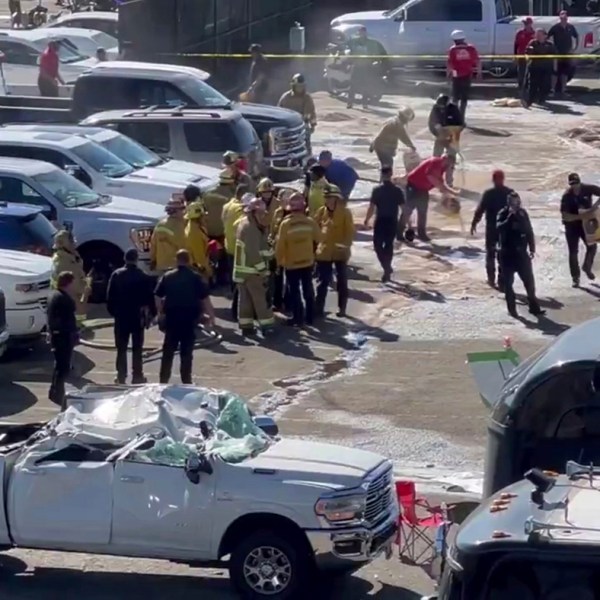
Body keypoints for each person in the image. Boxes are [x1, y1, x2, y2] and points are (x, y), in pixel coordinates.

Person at [154, 249, 216, 384]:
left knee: (168, 352)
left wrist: (160, 312)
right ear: (189, 261)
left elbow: (158, 296)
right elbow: (205, 299)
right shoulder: (195, 277)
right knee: (186, 353)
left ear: (176, 260)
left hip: (172, 319)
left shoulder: (168, 276)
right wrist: (211, 316)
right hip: (189, 320)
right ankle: (186, 381)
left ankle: (163, 381)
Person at [106, 248, 153, 385]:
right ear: (136, 259)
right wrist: (151, 316)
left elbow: (109, 298)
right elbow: (149, 298)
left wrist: (114, 313)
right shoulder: (143, 276)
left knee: (121, 348)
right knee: (137, 348)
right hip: (137, 317)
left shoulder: (116, 275)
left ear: (124, 259)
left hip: (121, 317)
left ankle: (121, 376)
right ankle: (137, 375)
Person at [275, 193, 321, 327]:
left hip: (291, 264)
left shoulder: (286, 224)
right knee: (308, 289)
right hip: (307, 262)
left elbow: (280, 246)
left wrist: (278, 263)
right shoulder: (310, 222)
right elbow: (319, 239)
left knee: (294, 291)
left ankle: (298, 318)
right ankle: (310, 317)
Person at [496, 192, 545, 318]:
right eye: (513, 202)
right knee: (508, 284)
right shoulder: (503, 213)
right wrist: (509, 218)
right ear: (508, 203)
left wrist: (532, 248)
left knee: (529, 282)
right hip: (507, 254)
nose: (516, 204)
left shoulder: (523, 213)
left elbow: (529, 231)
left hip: (521, 254)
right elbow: (499, 228)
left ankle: (534, 308)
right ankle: (512, 310)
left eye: (518, 202)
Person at [233, 198, 276, 336]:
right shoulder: (251, 228)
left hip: (242, 271)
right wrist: (263, 270)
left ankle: (246, 326)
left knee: (245, 300)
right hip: (253, 271)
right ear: (254, 213)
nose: (263, 216)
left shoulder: (245, 224)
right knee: (261, 300)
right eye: (261, 213)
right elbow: (253, 252)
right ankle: (267, 326)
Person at [314, 184, 354, 318]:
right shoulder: (321, 212)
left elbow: (350, 232)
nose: (328, 200)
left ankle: (342, 308)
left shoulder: (345, 213)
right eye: (326, 197)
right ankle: (318, 309)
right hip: (324, 252)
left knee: (342, 281)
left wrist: (344, 246)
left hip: (340, 253)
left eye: (330, 197)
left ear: (337, 198)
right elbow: (315, 228)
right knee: (322, 282)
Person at [399, 155, 459, 242]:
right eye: (450, 164)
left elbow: (441, 182)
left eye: (452, 165)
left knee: (422, 212)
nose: (450, 167)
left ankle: (422, 234)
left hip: (423, 189)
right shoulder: (436, 162)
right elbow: (430, 176)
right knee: (408, 210)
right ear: (445, 159)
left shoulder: (442, 167)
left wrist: (452, 192)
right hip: (413, 186)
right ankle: (399, 233)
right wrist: (442, 188)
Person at [470, 170, 514, 289]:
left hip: (493, 229)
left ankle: (491, 280)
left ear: (493, 179)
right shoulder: (510, 193)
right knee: (502, 254)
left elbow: (480, 210)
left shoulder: (489, 194)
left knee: (491, 254)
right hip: (505, 230)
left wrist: (474, 222)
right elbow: (517, 211)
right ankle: (501, 281)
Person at [364, 166, 405, 282]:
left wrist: (366, 220)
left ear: (381, 175)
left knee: (377, 245)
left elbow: (371, 207)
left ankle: (386, 268)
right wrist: (406, 223)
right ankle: (387, 267)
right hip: (392, 221)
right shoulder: (397, 191)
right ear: (391, 174)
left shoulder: (377, 190)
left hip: (380, 221)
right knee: (388, 245)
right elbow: (404, 209)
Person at [560, 172, 600, 287]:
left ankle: (587, 267)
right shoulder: (567, 196)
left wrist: (595, 207)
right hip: (571, 225)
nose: (575, 186)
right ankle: (575, 277)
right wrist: (583, 215)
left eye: (577, 183)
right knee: (573, 251)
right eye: (572, 184)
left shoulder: (587, 188)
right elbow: (565, 216)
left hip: (587, 223)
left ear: (580, 182)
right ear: (570, 184)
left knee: (592, 246)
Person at [47, 271, 78, 409]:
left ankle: (54, 391)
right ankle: (58, 393)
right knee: (63, 366)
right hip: (63, 336)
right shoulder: (65, 299)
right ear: (68, 283)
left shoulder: (53, 295)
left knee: (59, 365)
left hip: (56, 335)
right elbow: (71, 317)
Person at [51, 229, 89, 323]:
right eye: (71, 241)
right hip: (69, 302)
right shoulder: (63, 262)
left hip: (73, 301)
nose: (74, 244)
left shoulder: (71, 256)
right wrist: (86, 289)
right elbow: (75, 286)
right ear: (64, 244)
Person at [346, 25, 385, 109]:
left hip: (366, 67)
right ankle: (350, 102)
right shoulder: (354, 41)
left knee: (366, 86)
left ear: (365, 33)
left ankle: (364, 103)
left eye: (363, 32)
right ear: (358, 33)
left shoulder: (371, 43)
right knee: (352, 85)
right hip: (356, 66)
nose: (361, 34)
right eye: (360, 32)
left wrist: (376, 61)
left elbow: (375, 53)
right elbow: (347, 48)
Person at [446, 30, 481, 122]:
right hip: (467, 75)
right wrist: (479, 72)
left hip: (456, 75)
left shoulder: (453, 49)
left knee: (455, 97)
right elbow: (477, 61)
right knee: (464, 98)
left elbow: (449, 64)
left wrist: (448, 74)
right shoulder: (471, 48)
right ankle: (462, 117)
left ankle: (455, 116)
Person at [278, 74, 317, 154]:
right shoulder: (286, 97)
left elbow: (311, 112)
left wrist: (312, 125)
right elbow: (279, 111)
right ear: (293, 86)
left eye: (302, 86)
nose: (300, 88)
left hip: (302, 126)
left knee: (305, 146)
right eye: (298, 86)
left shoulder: (307, 98)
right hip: (288, 127)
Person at [369, 107, 416, 171]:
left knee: (386, 164)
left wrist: (373, 144)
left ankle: (384, 178)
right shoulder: (397, 124)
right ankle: (385, 179)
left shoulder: (393, 120)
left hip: (381, 146)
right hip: (383, 147)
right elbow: (404, 137)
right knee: (387, 165)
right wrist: (411, 146)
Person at [548, 10, 578, 95]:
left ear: (567, 18)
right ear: (559, 18)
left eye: (565, 17)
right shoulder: (555, 27)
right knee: (555, 72)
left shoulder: (571, 27)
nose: (563, 18)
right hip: (557, 54)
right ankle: (552, 90)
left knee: (565, 72)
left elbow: (576, 37)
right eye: (562, 17)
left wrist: (574, 48)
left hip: (567, 54)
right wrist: (552, 48)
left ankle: (563, 89)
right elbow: (547, 37)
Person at [524, 29, 556, 107]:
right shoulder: (533, 43)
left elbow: (555, 56)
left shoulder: (550, 44)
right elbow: (526, 53)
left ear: (545, 36)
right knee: (533, 84)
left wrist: (555, 67)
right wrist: (527, 58)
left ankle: (542, 99)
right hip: (534, 67)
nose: (538, 36)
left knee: (545, 84)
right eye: (537, 35)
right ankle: (530, 100)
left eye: (540, 35)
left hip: (546, 68)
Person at [185, 201, 212, 283]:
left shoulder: (196, 227)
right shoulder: (194, 233)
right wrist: (206, 270)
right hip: (198, 270)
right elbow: (199, 256)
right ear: (199, 217)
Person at [514, 17, 536, 90]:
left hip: (531, 56)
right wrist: (515, 56)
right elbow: (516, 45)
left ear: (530, 24)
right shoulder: (519, 33)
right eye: (525, 24)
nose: (526, 25)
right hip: (521, 55)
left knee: (530, 72)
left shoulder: (534, 34)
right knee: (521, 71)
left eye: (527, 24)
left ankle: (528, 87)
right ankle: (520, 87)